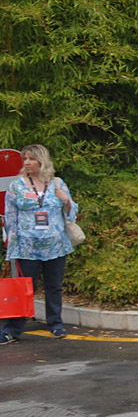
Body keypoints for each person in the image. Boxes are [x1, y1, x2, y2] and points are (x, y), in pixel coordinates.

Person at [1, 144, 78, 345]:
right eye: (25, 158)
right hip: (27, 247)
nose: (27, 162)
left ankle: (55, 324)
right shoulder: (16, 186)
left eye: (31, 159)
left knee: (54, 287)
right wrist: (11, 247)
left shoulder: (57, 183)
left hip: (56, 245)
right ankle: (13, 330)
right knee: (24, 288)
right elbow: (10, 217)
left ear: (41, 161)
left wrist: (65, 201)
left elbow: (72, 213)